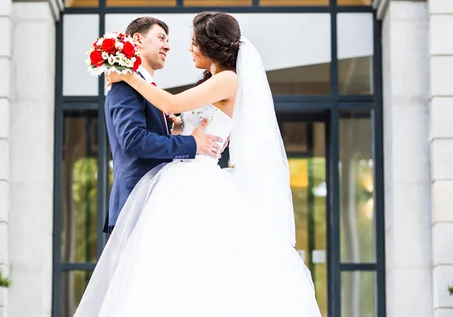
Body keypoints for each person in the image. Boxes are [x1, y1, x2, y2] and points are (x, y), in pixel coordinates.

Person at [74, 12, 322, 317]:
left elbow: (170, 103)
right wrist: (180, 130)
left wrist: (127, 74)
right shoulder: (214, 81)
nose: (188, 49)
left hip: (198, 179)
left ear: (210, 44)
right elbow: (173, 119)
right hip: (181, 177)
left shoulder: (228, 79)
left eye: (193, 43)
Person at [103, 16, 223, 234]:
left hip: (155, 203)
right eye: (161, 38)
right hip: (135, 204)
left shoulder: (146, 88)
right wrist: (191, 143)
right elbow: (134, 141)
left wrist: (176, 130)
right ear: (137, 40)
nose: (168, 46)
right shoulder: (124, 85)